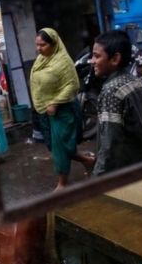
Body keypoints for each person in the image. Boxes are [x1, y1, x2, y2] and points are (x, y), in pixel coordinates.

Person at [29, 28, 94, 190]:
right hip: (45, 110)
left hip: (62, 110)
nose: (38, 49)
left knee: (60, 147)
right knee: (57, 145)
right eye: (37, 45)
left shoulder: (63, 61)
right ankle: (88, 161)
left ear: (54, 44)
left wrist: (55, 102)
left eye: (42, 45)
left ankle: (62, 183)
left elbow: (73, 85)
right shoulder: (41, 59)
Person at [89, 30, 142, 175]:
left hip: (128, 170)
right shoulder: (137, 82)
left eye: (97, 56)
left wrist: (96, 177)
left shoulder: (110, 91)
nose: (92, 61)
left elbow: (109, 145)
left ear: (115, 59)